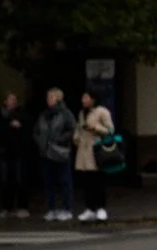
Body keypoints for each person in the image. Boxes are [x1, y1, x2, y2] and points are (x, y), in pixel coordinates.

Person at [34, 88, 76, 222]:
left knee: (64, 181)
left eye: (50, 97)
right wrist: (40, 141)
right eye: (48, 97)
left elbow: (72, 129)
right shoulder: (43, 115)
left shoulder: (65, 114)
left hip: (60, 152)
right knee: (49, 182)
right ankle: (51, 209)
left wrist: (60, 139)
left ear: (58, 99)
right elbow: (36, 130)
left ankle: (67, 209)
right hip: (46, 152)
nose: (48, 100)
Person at [73, 91, 114, 223]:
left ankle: (101, 208)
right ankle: (90, 208)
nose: (83, 100)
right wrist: (76, 138)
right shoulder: (81, 113)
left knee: (97, 181)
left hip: (96, 150)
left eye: (86, 97)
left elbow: (110, 130)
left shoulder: (102, 112)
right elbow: (79, 128)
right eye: (82, 97)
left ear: (93, 99)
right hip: (83, 151)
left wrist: (95, 127)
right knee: (86, 182)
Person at [0, 92, 30, 218]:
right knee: (6, 180)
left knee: (20, 179)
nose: (13, 102)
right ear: (5, 102)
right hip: (5, 151)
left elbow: (25, 130)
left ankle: (22, 206)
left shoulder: (22, 114)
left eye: (15, 99)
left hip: (18, 151)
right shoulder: (0, 115)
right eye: (10, 99)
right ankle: (6, 207)